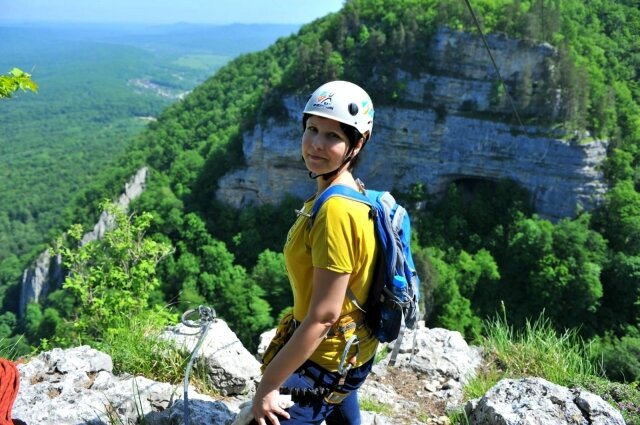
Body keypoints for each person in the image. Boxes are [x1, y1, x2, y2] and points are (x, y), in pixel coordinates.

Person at [250, 80, 379, 425]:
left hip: (324, 362)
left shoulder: (335, 210)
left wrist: (267, 387)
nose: (316, 144)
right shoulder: (349, 192)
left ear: (357, 143)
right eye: (312, 129)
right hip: (350, 353)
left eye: (333, 136)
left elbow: (323, 316)